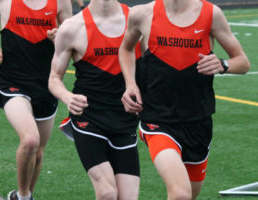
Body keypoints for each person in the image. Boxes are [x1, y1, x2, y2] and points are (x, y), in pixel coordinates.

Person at [119, 0, 250, 199]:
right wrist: (130, 84)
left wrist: (222, 64)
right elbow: (126, 48)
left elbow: (242, 62)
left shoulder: (211, 14)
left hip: (198, 122)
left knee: (188, 195)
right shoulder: (142, 14)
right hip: (157, 120)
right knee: (180, 193)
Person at [0, 0, 72, 199]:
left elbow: (73, 41)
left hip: (46, 86)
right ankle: (24, 196)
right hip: (13, 83)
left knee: (38, 152)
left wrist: (59, 39)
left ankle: (23, 195)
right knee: (30, 140)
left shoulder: (61, 2)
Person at [48, 0, 142, 199]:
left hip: (125, 123)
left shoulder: (138, 19)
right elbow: (54, 79)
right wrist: (68, 97)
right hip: (89, 119)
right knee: (107, 192)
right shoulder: (72, 27)